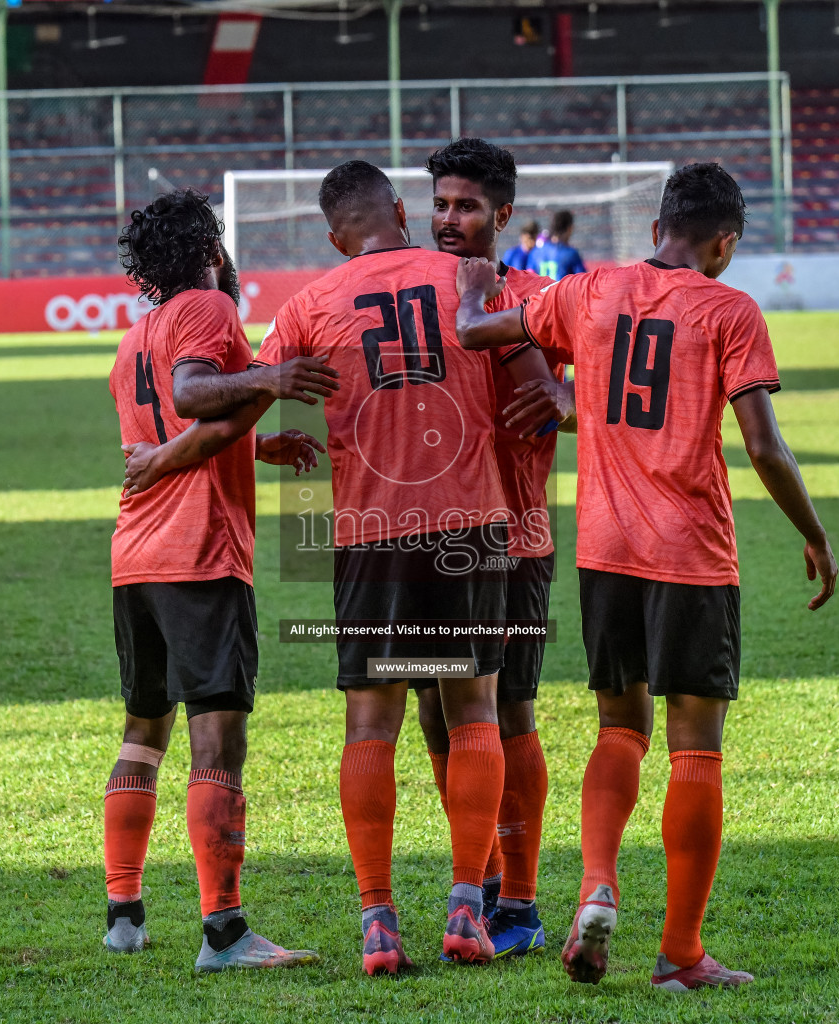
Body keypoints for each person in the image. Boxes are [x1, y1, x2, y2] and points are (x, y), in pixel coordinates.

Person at [455, 161, 838, 993]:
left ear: (658, 222)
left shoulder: (589, 291)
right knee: (695, 748)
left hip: (605, 554)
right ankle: (681, 954)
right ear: (725, 242)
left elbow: (481, 331)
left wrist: (468, 296)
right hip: (691, 552)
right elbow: (765, 446)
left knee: (618, 729)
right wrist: (815, 535)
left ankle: (597, 884)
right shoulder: (729, 309)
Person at [250, 159, 558, 975]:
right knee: (475, 713)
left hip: (368, 532)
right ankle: (469, 904)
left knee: (371, 724)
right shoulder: (468, 280)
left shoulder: (311, 303)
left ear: (331, 235)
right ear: (399, 209)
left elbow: (242, 388)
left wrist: (263, 431)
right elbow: (542, 391)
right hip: (473, 522)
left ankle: (377, 918)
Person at [100, 187, 329, 970]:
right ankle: (225, 935)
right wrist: (276, 375)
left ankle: (123, 911)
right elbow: (192, 397)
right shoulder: (208, 307)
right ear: (210, 250)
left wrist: (260, 447)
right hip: (199, 554)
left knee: (143, 731)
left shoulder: (134, 337)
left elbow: (175, 429)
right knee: (218, 737)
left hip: (136, 554)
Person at [424, 137, 574, 959]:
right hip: (424, 540)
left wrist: (565, 395)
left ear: (503, 215)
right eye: (442, 204)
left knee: (508, 710)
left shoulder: (540, 299)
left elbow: (631, 379)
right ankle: (471, 882)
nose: (452, 220)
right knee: (436, 720)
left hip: (514, 538)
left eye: (468, 206)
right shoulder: (412, 296)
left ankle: (518, 900)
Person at [526, 209, 587, 281]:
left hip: (540, 292)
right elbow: (583, 282)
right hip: (561, 292)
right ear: (569, 228)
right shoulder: (571, 253)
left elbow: (529, 277)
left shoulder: (535, 252)